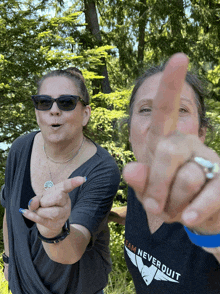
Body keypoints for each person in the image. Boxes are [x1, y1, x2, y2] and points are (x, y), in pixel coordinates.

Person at [1, 68, 120, 294]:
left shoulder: (102, 169)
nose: (54, 110)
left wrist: (55, 230)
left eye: (66, 103)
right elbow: (9, 209)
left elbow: (73, 250)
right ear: (37, 112)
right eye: (44, 102)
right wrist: (7, 261)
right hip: (21, 287)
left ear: (85, 113)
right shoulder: (19, 149)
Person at [110, 53, 220, 293]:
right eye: (146, 109)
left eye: (181, 109)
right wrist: (105, 215)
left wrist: (213, 233)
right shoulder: (138, 184)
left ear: (201, 134)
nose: (163, 121)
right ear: (130, 133)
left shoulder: (212, 201)